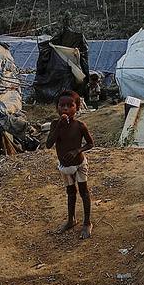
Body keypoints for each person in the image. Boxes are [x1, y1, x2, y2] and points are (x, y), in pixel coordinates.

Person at [46, 90, 94, 237]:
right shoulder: (55, 124)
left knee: (84, 192)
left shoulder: (80, 126)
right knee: (71, 192)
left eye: (70, 105)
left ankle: (87, 222)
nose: (65, 109)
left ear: (77, 108)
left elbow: (90, 144)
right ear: (57, 108)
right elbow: (49, 144)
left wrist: (77, 151)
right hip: (65, 167)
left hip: (79, 164)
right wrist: (59, 127)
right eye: (62, 105)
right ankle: (71, 220)